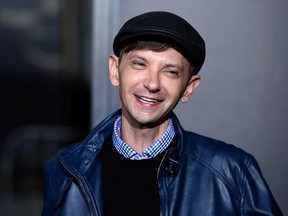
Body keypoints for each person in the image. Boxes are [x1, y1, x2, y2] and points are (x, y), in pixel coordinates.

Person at [42, 11, 282, 216]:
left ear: (188, 88)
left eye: (171, 72)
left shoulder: (233, 172)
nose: (152, 83)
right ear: (115, 70)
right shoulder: (65, 170)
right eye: (139, 64)